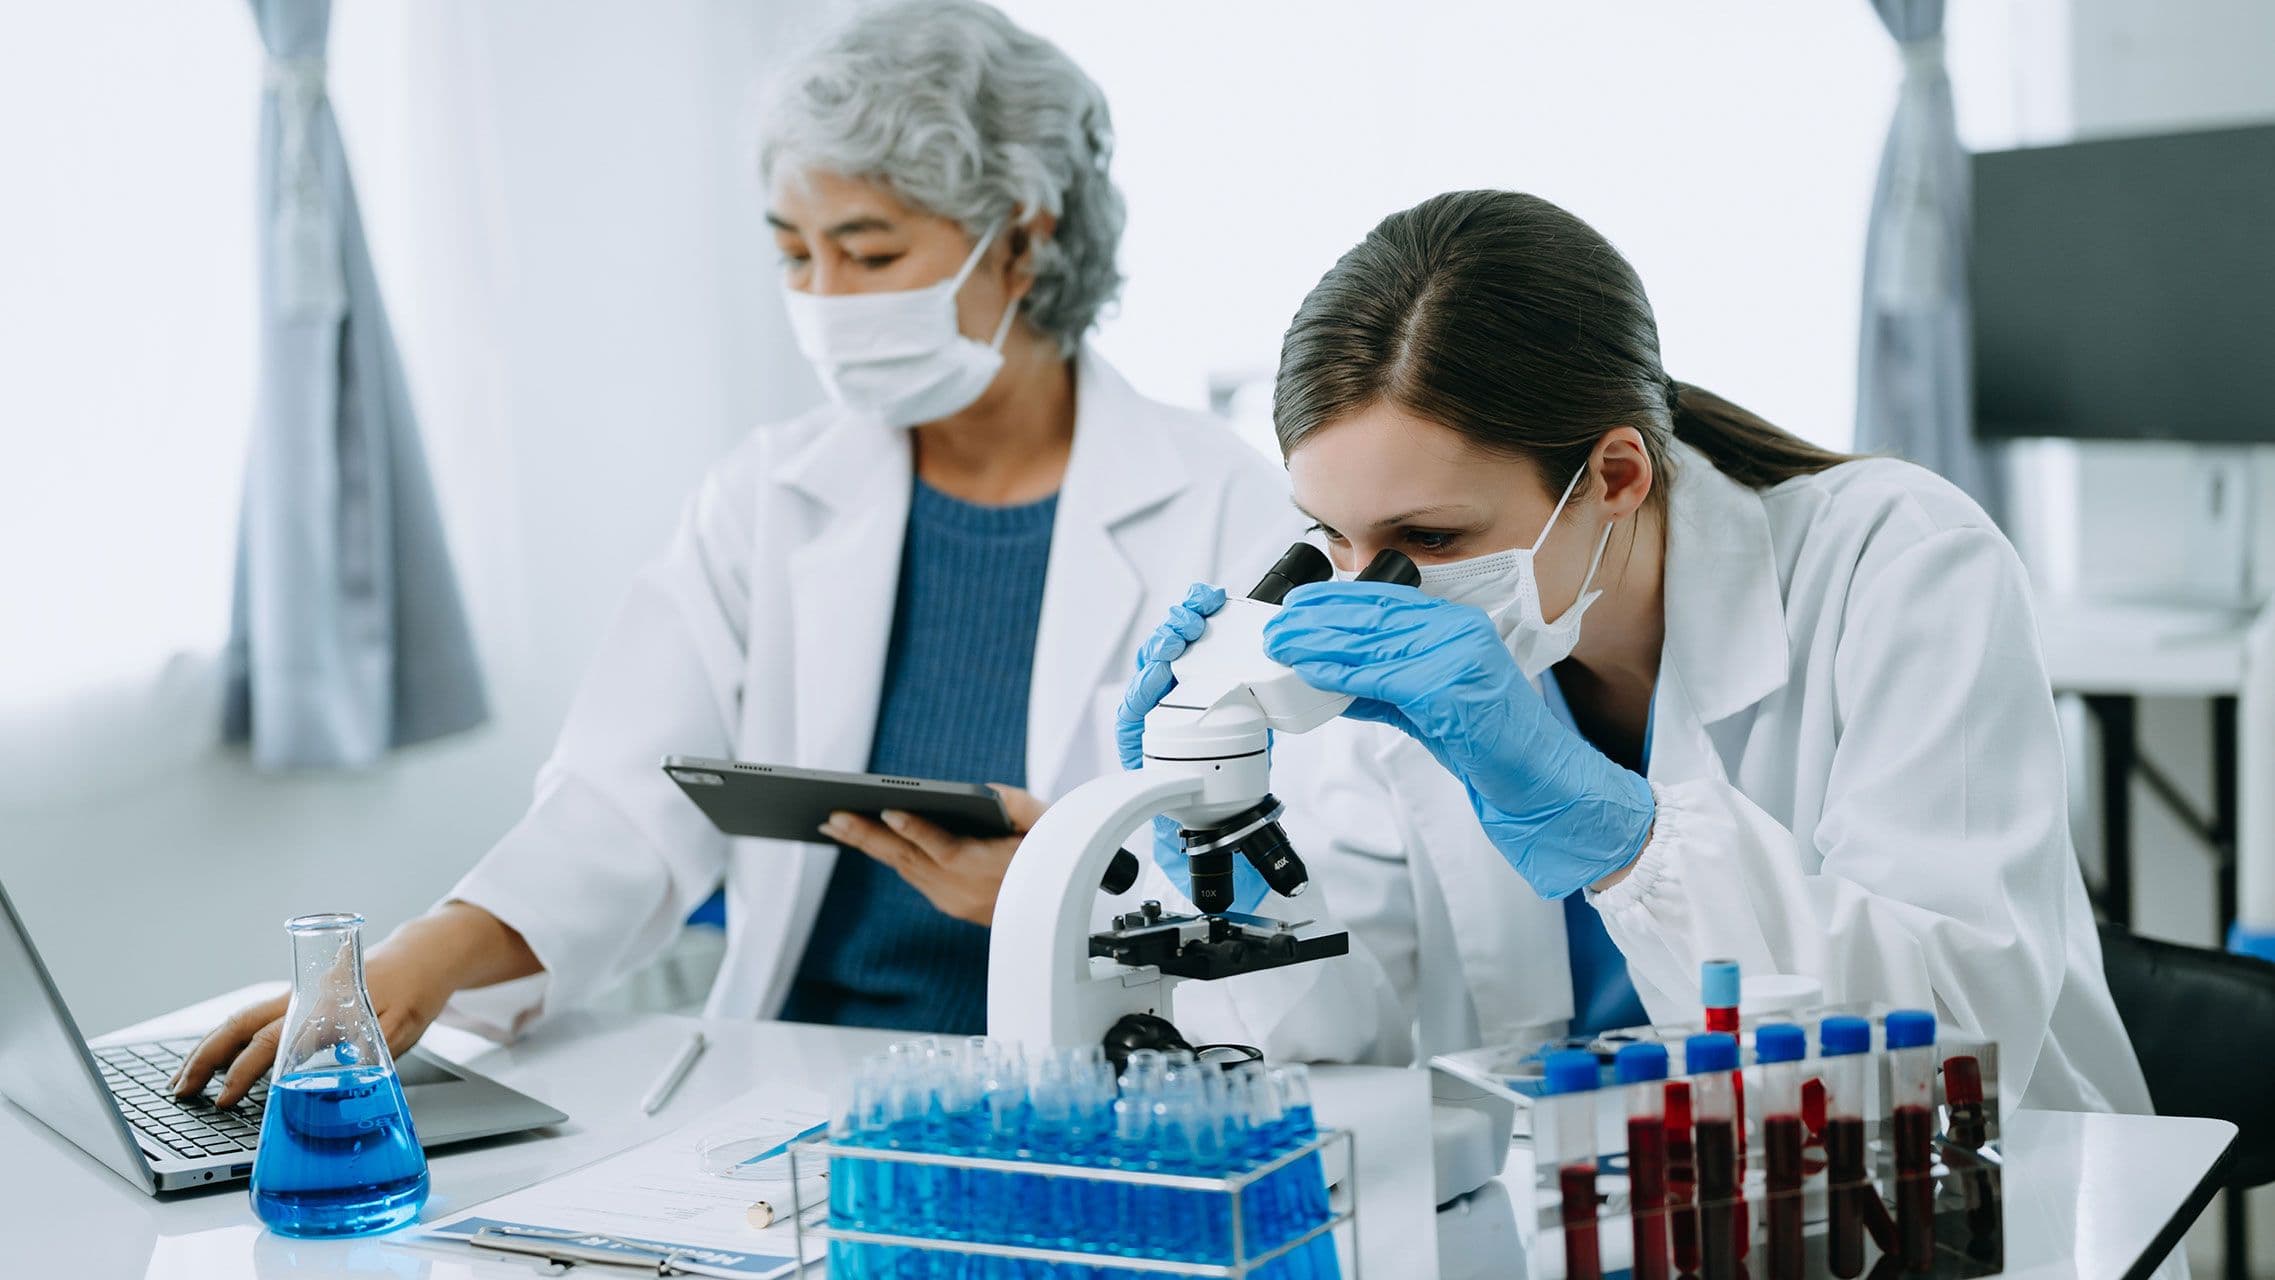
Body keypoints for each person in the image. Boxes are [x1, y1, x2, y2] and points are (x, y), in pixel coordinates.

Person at [173, 0, 1304, 1108]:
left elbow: (1296, 875)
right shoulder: (769, 496)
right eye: (793, 252)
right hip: (792, 1080)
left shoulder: (1220, 506)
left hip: (1089, 1081)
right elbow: (619, 806)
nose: (822, 297)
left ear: (1023, 236)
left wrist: (1067, 889)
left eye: (866, 251)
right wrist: (424, 958)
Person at [1123, 189, 2150, 1112]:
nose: (1370, 589)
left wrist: (1623, 838)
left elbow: (1952, 1040)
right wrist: (1241, 870)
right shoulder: (1396, 677)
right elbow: (1349, 1061)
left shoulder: (1899, 564)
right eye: (1332, 536)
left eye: (1431, 540)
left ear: (1615, 473)